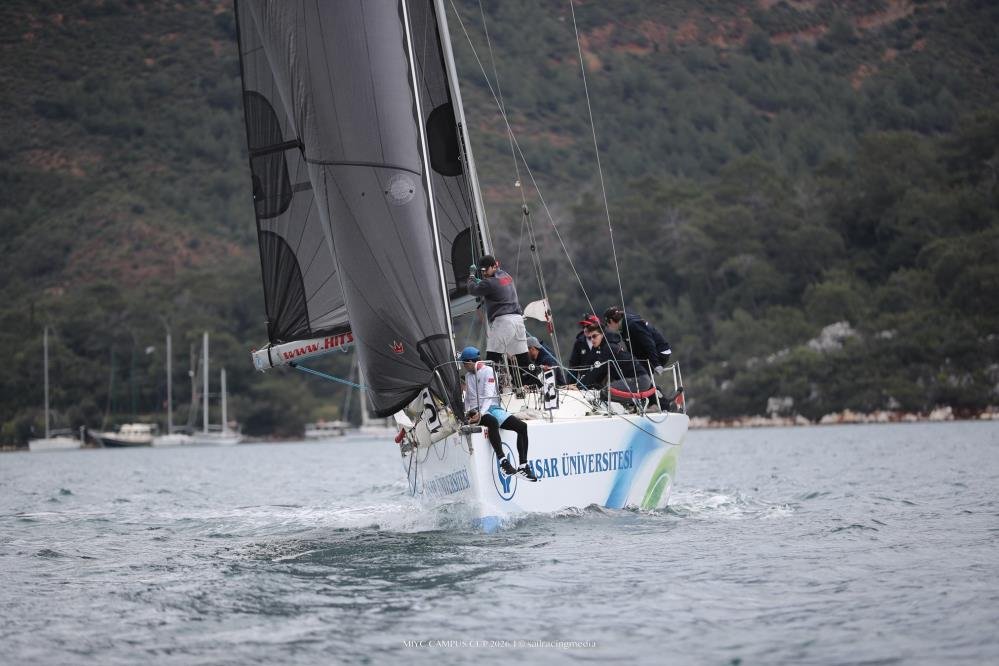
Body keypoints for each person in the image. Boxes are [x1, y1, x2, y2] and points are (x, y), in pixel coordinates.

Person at [460, 346, 538, 481]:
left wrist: (482, 413)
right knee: (492, 422)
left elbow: (489, 396)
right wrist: (464, 414)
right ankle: (503, 461)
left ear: (471, 362)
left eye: (464, 364)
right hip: (476, 410)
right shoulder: (468, 376)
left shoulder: (489, 371)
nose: (463, 367)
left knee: (522, 427)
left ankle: (523, 466)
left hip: (491, 407)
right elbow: (468, 398)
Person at [467, 255, 533, 387]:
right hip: (518, 320)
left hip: (503, 321)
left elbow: (472, 290)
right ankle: (533, 385)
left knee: (492, 358)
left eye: (486, 270)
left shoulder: (489, 283)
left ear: (494, 266)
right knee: (523, 357)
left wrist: (472, 277)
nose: (484, 273)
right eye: (482, 271)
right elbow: (493, 285)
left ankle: (489, 388)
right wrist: (482, 282)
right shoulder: (506, 276)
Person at [575, 324, 652, 401]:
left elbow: (597, 371)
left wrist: (579, 386)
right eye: (589, 338)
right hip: (639, 380)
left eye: (594, 336)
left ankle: (632, 405)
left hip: (638, 380)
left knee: (606, 391)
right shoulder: (609, 346)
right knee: (606, 390)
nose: (592, 340)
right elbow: (599, 373)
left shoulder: (608, 348)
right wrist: (582, 384)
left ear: (602, 335)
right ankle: (630, 406)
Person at [603, 306, 672, 374]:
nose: (608, 327)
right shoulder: (623, 325)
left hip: (661, 352)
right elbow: (632, 348)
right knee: (631, 366)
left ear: (611, 321)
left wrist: (656, 364)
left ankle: (647, 384)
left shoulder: (632, 324)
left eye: (607, 324)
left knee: (637, 370)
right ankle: (647, 383)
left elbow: (648, 343)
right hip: (651, 352)